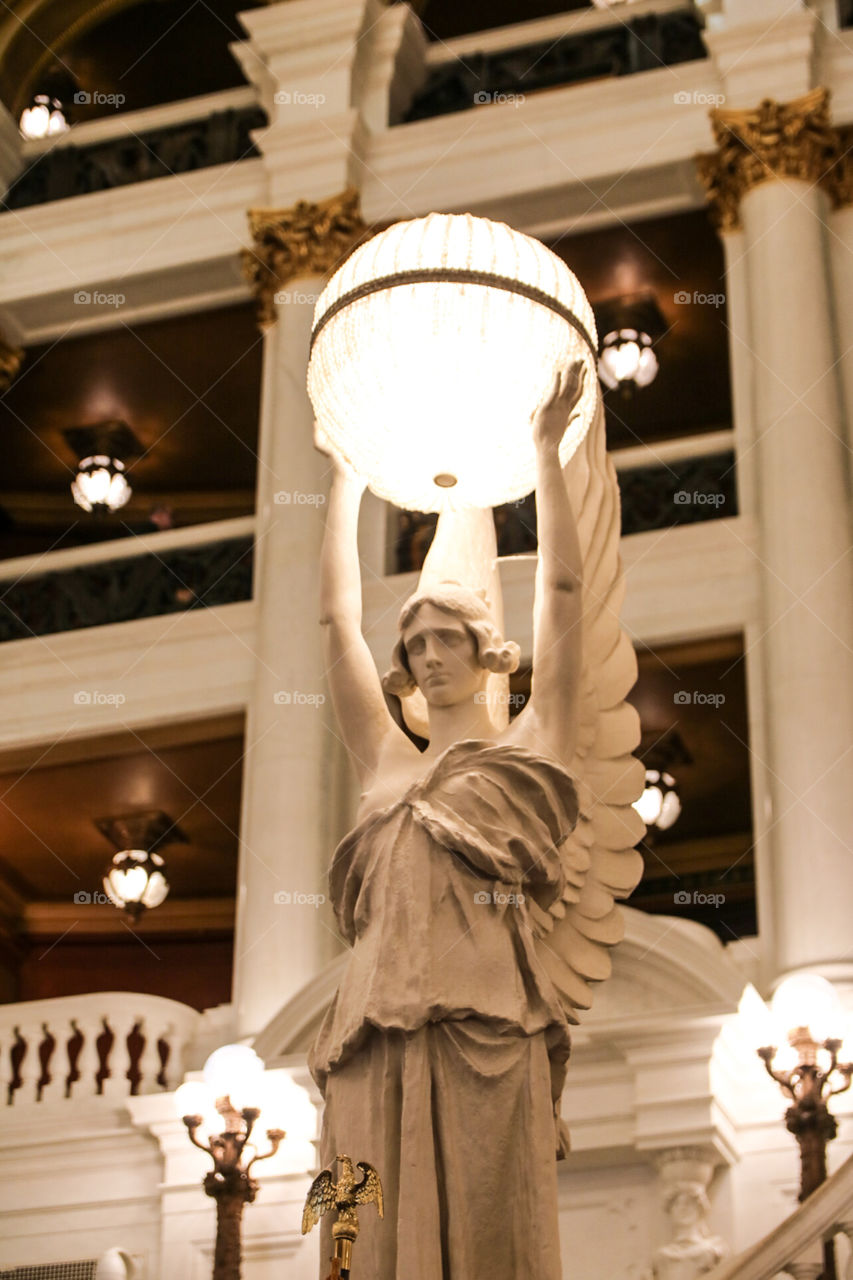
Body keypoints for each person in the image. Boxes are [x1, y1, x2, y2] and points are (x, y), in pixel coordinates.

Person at [308, 362, 588, 1279]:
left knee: (489, 1230)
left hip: (486, 1026)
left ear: (484, 651)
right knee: (366, 1244)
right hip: (370, 1030)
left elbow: (562, 597)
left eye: (446, 640)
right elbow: (334, 625)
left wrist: (545, 453)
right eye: (415, 645)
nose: (428, 657)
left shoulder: (532, 746)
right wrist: (343, 480)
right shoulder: (387, 762)